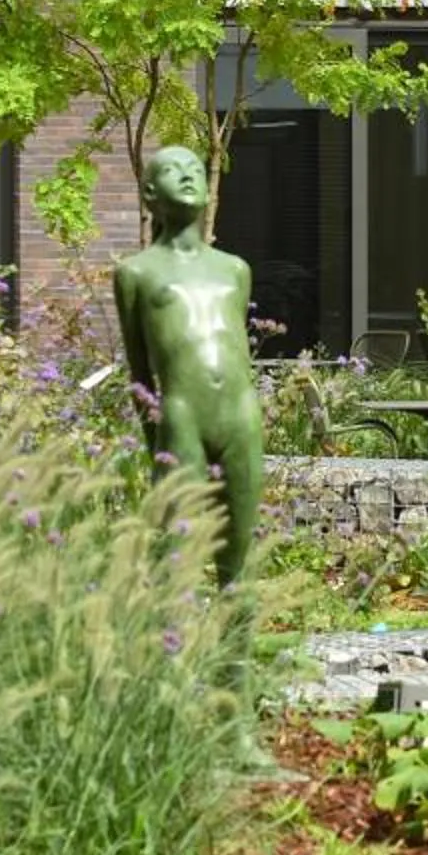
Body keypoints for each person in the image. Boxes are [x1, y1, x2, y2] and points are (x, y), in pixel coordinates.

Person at [113, 144, 264, 587]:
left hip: (240, 414)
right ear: (148, 191)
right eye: (173, 170)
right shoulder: (136, 273)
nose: (187, 176)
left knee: (239, 554)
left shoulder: (235, 269)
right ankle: (170, 654)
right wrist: (153, 436)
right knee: (174, 554)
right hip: (181, 417)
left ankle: (236, 656)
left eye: (196, 169)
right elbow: (138, 371)